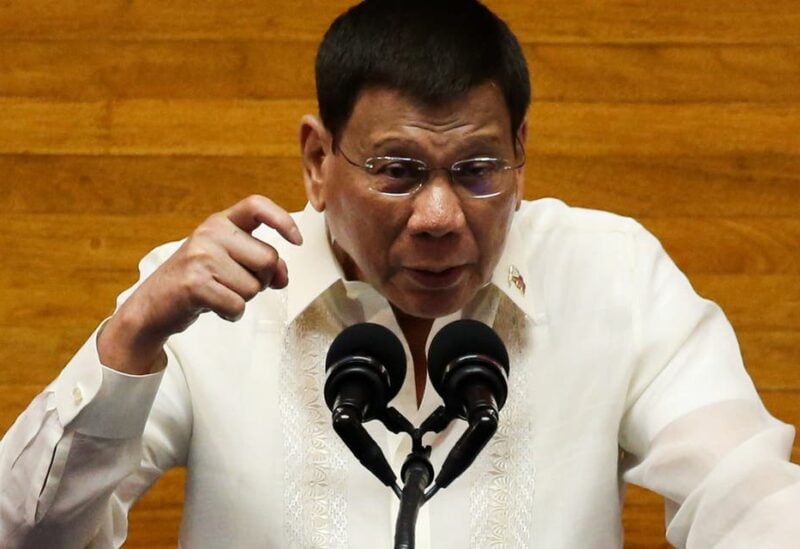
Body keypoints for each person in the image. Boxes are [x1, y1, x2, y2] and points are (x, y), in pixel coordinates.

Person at [1, 0, 799, 547]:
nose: (441, 214)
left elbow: (744, 489)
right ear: (318, 160)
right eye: (398, 170)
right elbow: (25, 535)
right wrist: (129, 340)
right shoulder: (206, 298)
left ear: (522, 151)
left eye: (480, 167)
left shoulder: (612, 274)